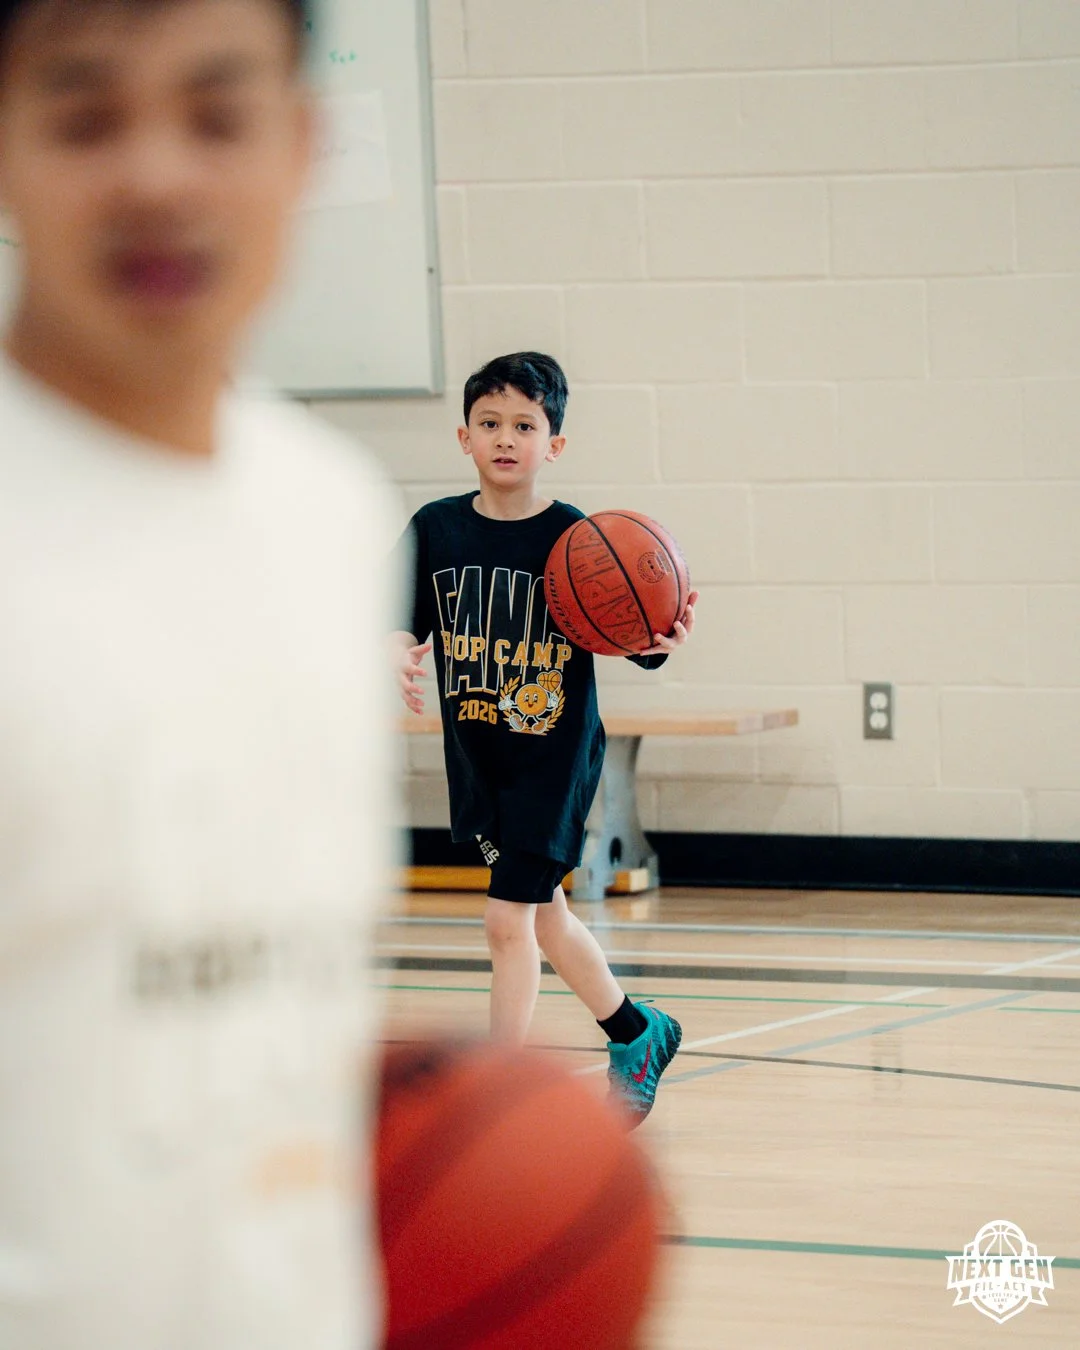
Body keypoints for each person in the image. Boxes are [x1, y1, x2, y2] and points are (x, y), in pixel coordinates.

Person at [0, 1, 395, 1346]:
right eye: (85, 114)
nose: (158, 176)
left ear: (304, 144)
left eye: (217, 115)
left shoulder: (335, 516)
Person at [392, 351, 698, 1128]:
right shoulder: (435, 530)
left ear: (553, 443)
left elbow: (637, 635)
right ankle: (637, 1032)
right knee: (546, 914)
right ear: (464, 436)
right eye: (490, 423)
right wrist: (391, 647)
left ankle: (496, 1090)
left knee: (506, 921)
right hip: (480, 756)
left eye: (524, 425)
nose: (505, 438)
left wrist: (662, 636)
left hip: (553, 759)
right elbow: (390, 614)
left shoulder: (579, 539)